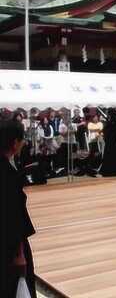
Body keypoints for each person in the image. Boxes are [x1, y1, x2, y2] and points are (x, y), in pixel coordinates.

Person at [1, 120, 37, 298]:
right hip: (9, 246)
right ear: (15, 143)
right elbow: (13, 216)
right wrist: (19, 253)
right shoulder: (8, 174)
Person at [99, 109, 116, 177]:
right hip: (112, 144)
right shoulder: (115, 124)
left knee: (110, 158)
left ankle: (109, 171)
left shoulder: (110, 124)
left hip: (110, 144)